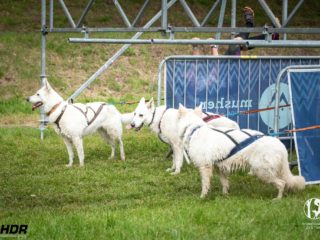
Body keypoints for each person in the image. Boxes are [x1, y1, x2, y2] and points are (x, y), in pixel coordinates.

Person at [192, 6, 280, 56]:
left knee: (237, 43)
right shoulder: (205, 81)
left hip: (224, 69)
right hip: (228, 73)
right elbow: (217, 67)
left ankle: (269, 35)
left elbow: (196, 67)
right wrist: (213, 46)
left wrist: (195, 46)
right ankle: (250, 25)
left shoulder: (196, 76)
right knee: (236, 42)